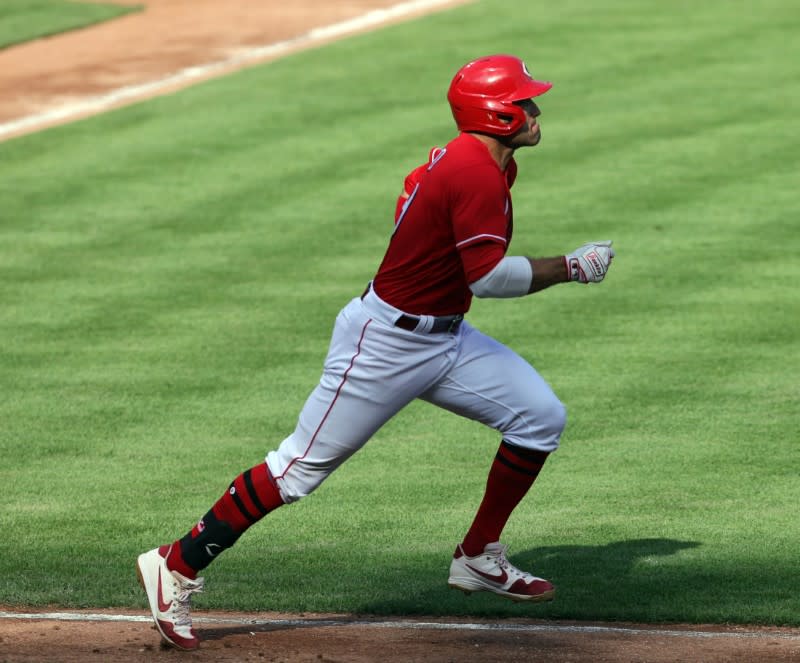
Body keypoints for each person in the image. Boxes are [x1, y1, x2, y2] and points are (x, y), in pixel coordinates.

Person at [136, 53, 615, 651]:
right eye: (523, 102)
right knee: (296, 471)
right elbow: (487, 278)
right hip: (385, 343)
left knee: (539, 419)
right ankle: (175, 564)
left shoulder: (485, 162)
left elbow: (413, 192)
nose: (536, 109)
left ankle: (477, 555)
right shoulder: (475, 170)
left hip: (445, 338)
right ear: (494, 114)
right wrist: (571, 267)